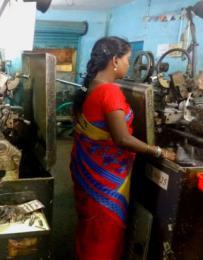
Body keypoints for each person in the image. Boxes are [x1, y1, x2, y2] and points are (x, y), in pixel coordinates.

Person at [70, 36, 176, 260]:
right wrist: (158, 151)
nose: (130, 64)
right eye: (127, 59)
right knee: (104, 239)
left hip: (88, 174)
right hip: (104, 183)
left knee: (90, 233)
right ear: (115, 61)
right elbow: (122, 139)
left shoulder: (93, 86)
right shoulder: (110, 92)